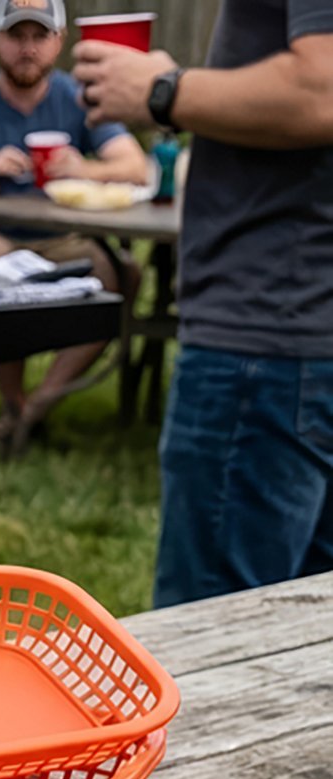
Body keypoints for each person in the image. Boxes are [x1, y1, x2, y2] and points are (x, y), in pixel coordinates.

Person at [74, 1, 333, 606]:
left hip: (268, 335)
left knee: (215, 638)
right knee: (308, 640)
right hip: (302, 327)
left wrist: (164, 90)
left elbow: (320, 88)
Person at [0, 0, 150, 456]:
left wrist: (82, 169)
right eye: (16, 36)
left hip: (67, 238)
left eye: (39, 36)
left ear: (60, 40)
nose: (27, 48)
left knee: (124, 275)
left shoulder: (81, 98)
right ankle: (13, 405)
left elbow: (134, 167)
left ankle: (37, 406)